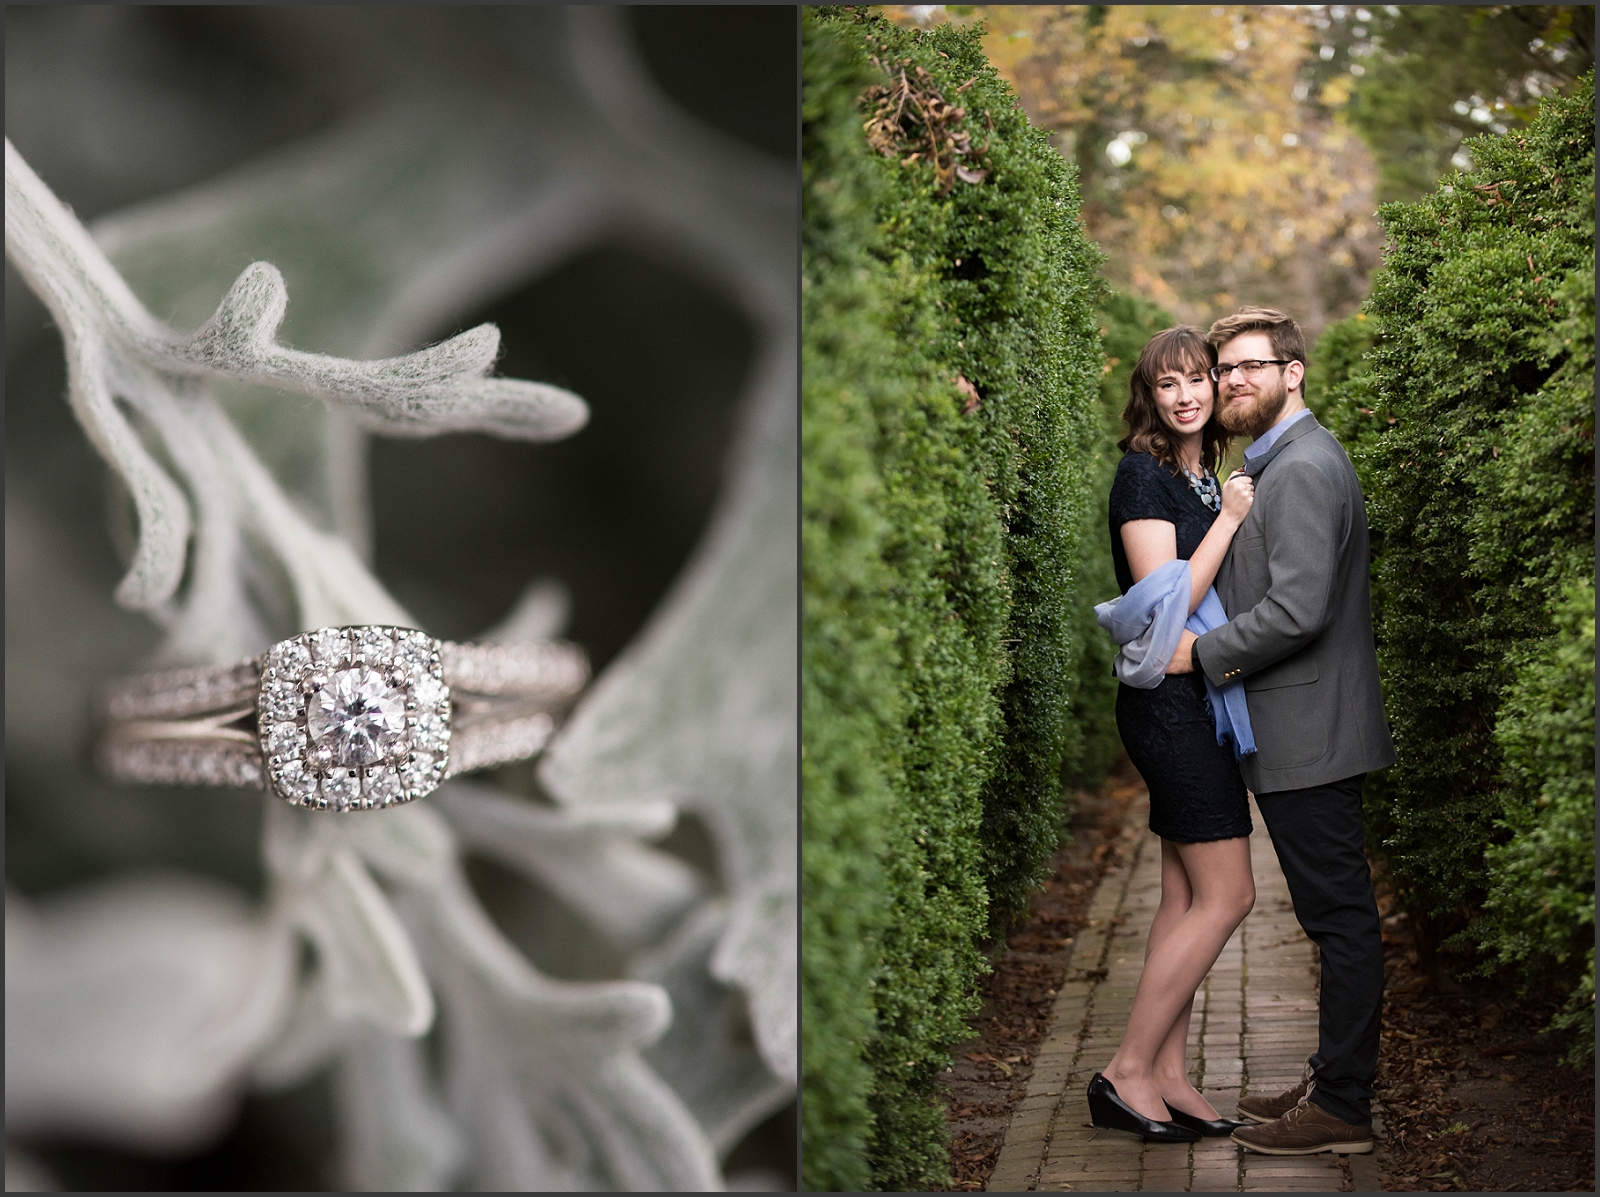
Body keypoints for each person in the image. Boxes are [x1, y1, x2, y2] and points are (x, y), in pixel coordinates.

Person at [1168, 306, 1396, 1156]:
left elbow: (1299, 608)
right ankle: (1333, 1076)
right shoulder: (1281, 460)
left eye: (1249, 366)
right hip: (1304, 729)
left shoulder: (1301, 467)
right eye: (1223, 368)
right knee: (1330, 915)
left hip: (1311, 731)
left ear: (1293, 371)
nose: (1231, 381)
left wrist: (1203, 653)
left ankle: (1342, 1105)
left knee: (1339, 919)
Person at [1086, 326, 1259, 1144]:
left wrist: (1217, 503)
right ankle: (1125, 1068)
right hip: (1169, 705)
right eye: (1169, 384)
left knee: (1187, 895)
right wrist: (1227, 522)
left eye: (1198, 380)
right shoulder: (1143, 477)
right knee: (1231, 893)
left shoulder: (1197, 477)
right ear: (1148, 397)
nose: (1186, 395)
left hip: (1201, 699)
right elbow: (1163, 610)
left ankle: (1167, 1072)